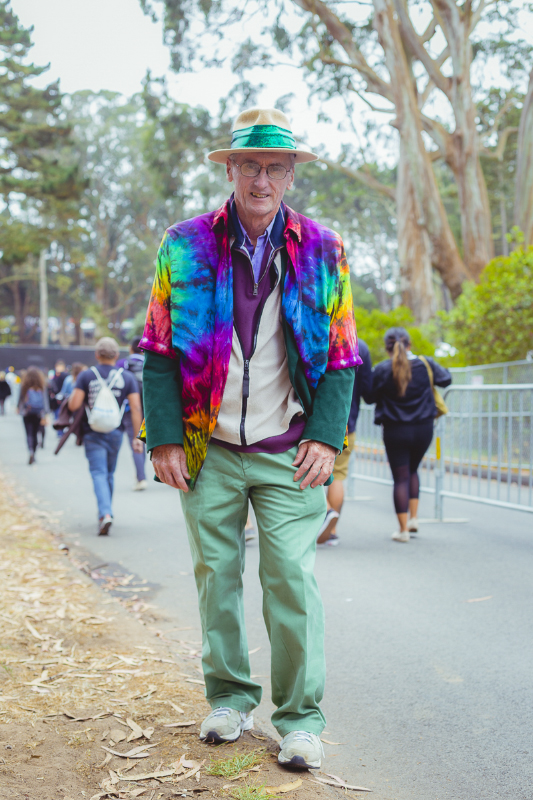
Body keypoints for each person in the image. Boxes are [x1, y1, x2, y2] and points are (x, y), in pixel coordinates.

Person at [139, 107, 361, 770]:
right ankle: (230, 698)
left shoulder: (323, 248)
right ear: (230, 170)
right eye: (248, 165)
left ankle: (299, 719)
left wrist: (327, 437)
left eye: (273, 166)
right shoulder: (182, 244)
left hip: (289, 450)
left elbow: (344, 355)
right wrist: (165, 438)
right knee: (216, 578)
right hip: (208, 450)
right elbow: (156, 348)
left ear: (290, 174)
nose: (259, 178)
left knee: (290, 578)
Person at [368, 327, 451, 542]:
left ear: (387, 347)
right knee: (413, 470)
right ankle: (414, 519)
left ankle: (403, 530)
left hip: (395, 430)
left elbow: (369, 397)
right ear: (409, 344)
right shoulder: (425, 364)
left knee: (401, 477)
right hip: (423, 429)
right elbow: (446, 379)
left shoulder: (383, 369)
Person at [68, 337, 143, 536]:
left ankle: (105, 513)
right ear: (116, 355)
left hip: (93, 432)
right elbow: (135, 407)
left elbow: (74, 405)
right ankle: (106, 512)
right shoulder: (127, 377)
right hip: (115, 432)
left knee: (98, 473)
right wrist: (137, 437)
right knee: (108, 473)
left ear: (96, 355)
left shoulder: (86, 375)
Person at [317, 339, 372, 546]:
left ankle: (324, 517)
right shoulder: (361, 346)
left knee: (309, 471)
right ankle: (331, 529)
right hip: (347, 422)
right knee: (337, 475)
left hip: (314, 419)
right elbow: (368, 390)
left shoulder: (317, 329)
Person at [117, 337, 147, 491]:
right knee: (150, 442)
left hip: (130, 410)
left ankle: (141, 478)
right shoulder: (150, 362)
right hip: (149, 410)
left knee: (136, 441)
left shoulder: (123, 364)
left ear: (130, 348)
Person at [16, 367, 49, 464]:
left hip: (27, 413)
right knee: (35, 433)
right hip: (39, 413)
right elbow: (45, 401)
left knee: (29, 433)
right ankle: (34, 452)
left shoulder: (24, 386)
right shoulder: (42, 386)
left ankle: (30, 451)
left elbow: (20, 399)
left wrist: (19, 408)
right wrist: (45, 413)